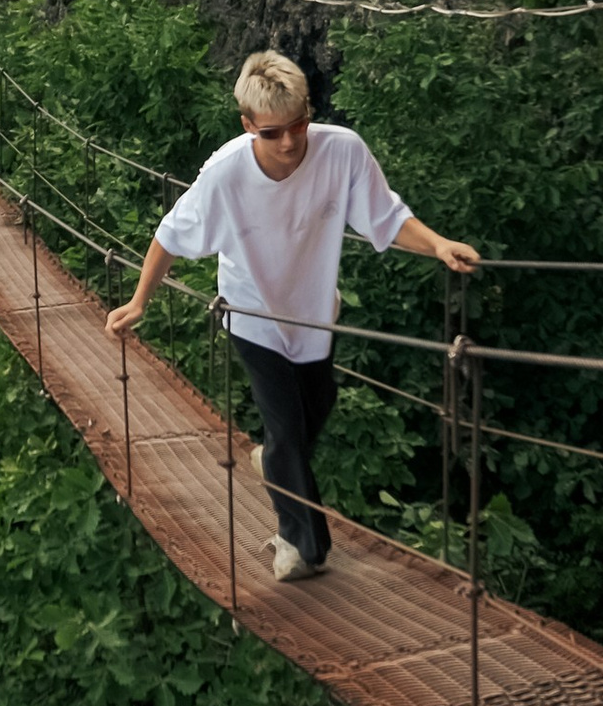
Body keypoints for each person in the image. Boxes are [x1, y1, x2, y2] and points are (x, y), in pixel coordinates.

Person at [104, 51, 478, 582]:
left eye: (298, 125)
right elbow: (170, 234)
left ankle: (273, 460)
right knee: (286, 423)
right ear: (248, 125)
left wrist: (438, 245)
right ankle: (302, 546)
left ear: (308, 113)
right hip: (250, 311)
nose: (288, 142)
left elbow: (386, 217)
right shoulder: (225, 174)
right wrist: (140, 301)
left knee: (313, 413)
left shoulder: (342, 151)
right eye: (272, 132)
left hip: (313, 312)